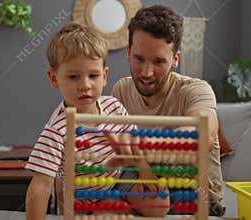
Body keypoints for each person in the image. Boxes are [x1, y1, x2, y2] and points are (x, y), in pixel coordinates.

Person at [25, 23, 169, 220]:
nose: (85, 85)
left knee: (160, 203)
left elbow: (133, 145)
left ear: (104, 76)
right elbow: (41, 183)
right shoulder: (57, 130)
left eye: (93, 76)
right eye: (73, 77)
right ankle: (111, 208)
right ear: (54, 78)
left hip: (118, 179)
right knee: (107, 215)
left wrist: (146, 173)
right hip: (85, 196)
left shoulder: (113, 108)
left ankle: (118, 204)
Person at [112, 5, 226, 216]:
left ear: (175, 59)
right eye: (139, 59)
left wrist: (135, 147)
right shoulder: (122, 89)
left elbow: (204, 135)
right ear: (128, 53)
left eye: (158, 61)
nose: (146, 73)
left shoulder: (196, 90)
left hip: (193, 194)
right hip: (143, 179)